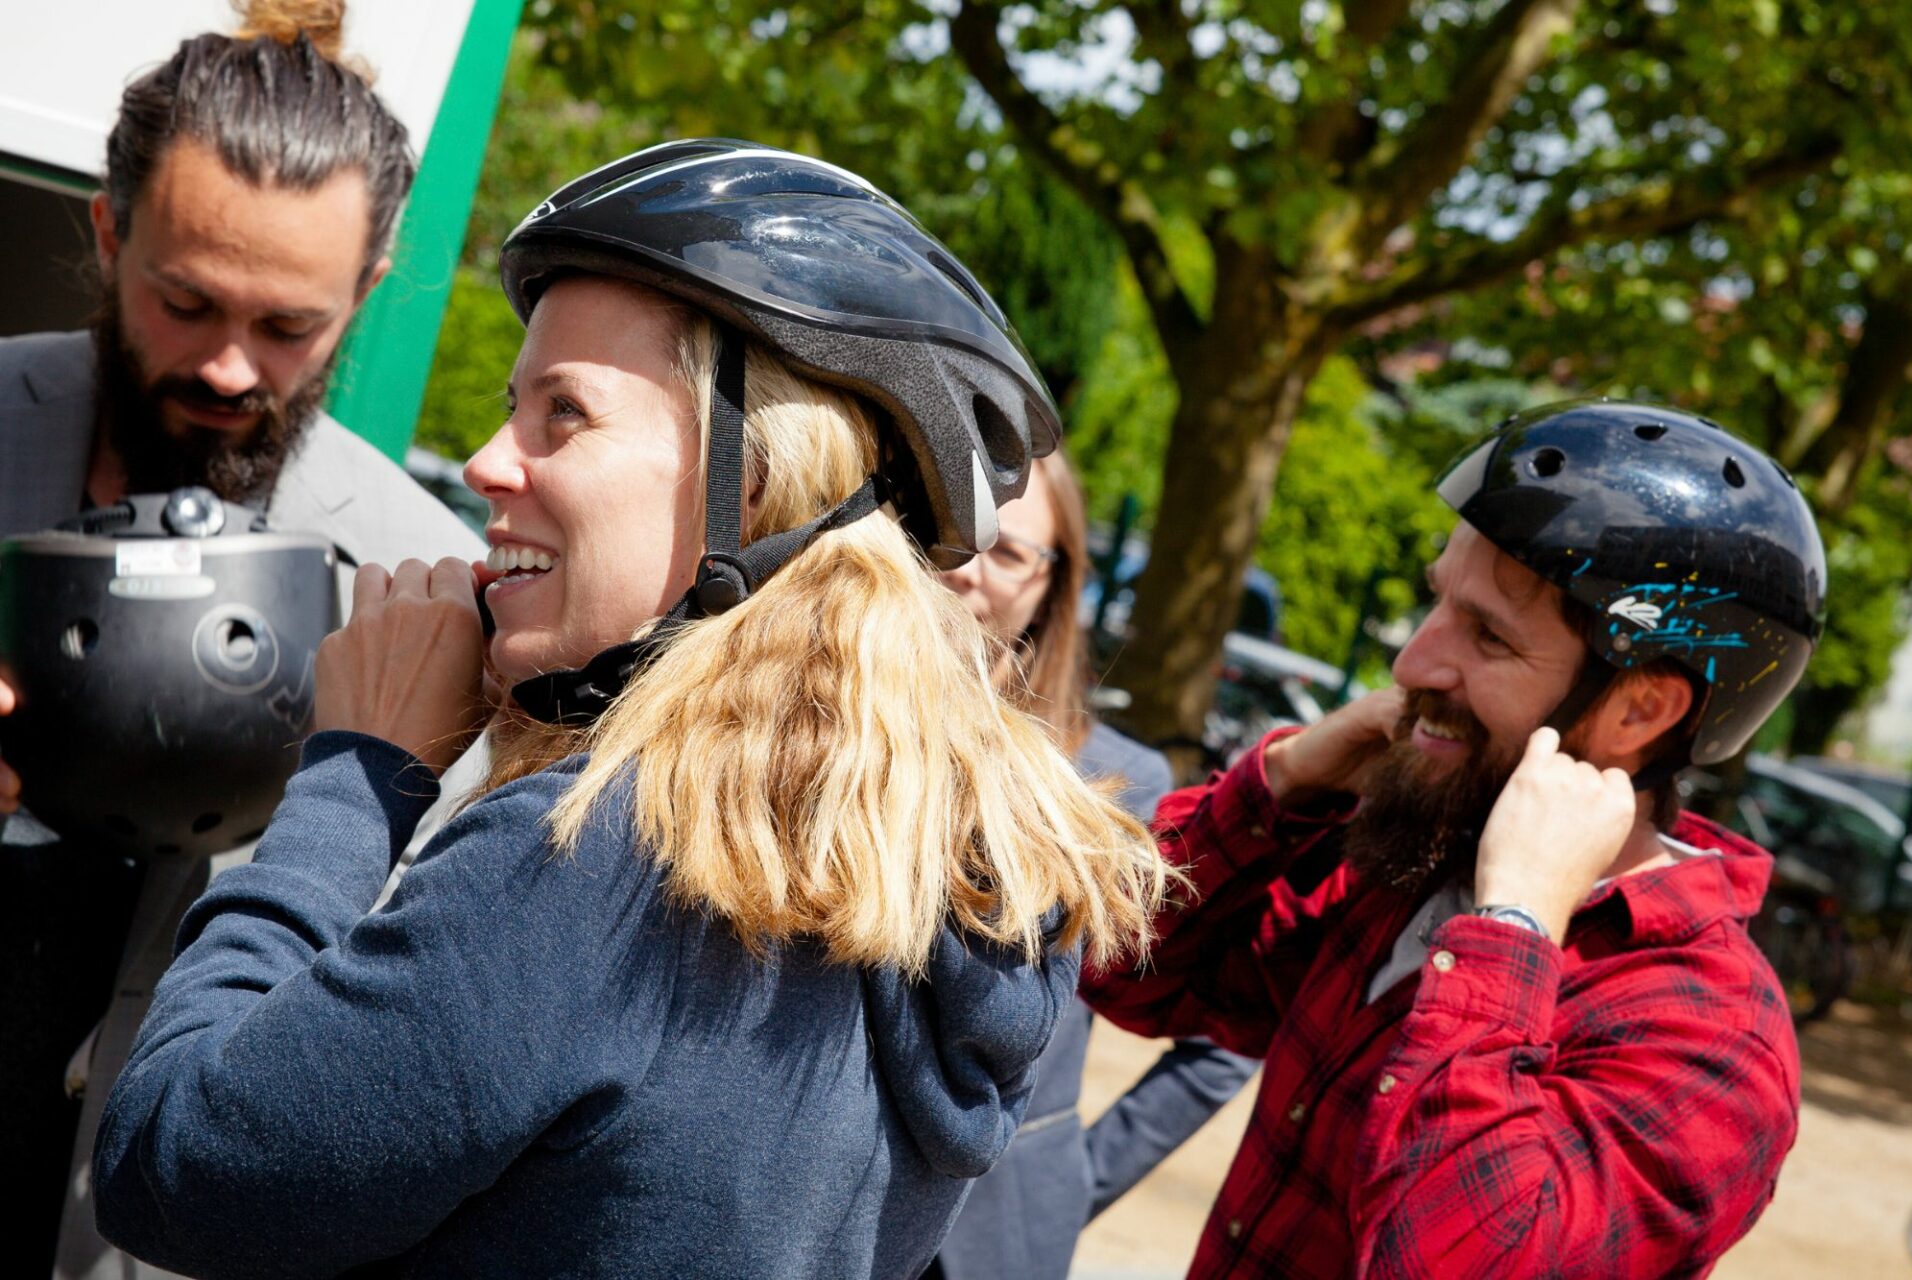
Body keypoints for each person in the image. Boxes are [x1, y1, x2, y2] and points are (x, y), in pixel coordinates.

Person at [89, 138, 1169, 1278]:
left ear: (748, 484)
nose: (486, 459)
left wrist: (355, 775)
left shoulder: (592, 865)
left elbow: (172, 1165)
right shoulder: (962, 879)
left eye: (564, 414)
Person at [1083, 400, 1824, 1278]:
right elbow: (1123, 964)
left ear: (1641, 708)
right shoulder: (1421, 855)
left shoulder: (1712, 1038)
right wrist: (1282, 785)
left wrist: (1511, 931)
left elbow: (1450, 1260)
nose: (1414, 665)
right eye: (1440, 604)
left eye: (1490, 637)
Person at [0, 5, 480, 1276]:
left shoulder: (421, 577)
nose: (226, 368)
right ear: (108, 235)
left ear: (366, 291)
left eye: (287, 329)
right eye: (186, 301)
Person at [930, 451, 1257, 1280]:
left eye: (1007, 553)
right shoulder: (812, 736)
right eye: (955, 536)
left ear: (1051, 584)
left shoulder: (1117, 784)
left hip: (992, 1237)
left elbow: (1228, 1032)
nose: (969, 572)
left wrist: (1078, 1171)